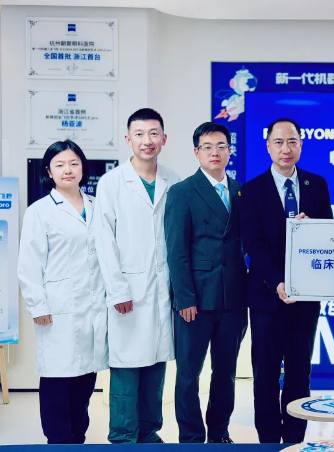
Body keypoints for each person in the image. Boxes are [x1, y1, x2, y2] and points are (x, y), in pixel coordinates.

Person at [240, 118, 333, 444]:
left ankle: (295, 440)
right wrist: (278, 283)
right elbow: (254, 244)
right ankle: (268, 441)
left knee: (299, 375)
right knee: (265, 375)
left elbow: (329, 235)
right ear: (268, 146)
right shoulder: (251, 190)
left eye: (292, 141)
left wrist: (312, 228)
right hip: (267, 298)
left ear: (301, 145)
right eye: (278, 142)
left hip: (305, 299)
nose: (286, 148)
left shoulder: (316, 185)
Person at [94, 108, 181, 444]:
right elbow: (104, 239)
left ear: (164, 139)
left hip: (162, 289)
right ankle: (122, 437)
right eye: (140, 134)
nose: (147, 140)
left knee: (157, 362)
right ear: (128, 139)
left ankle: (149, 433)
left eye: (154, 133)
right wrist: (117, 289)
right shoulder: (112, 182)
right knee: (127, 366)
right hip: (127, 289)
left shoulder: (173, 180)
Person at [17, 140, 108, 444]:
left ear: (83, 167)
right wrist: (38, 306)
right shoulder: (40, 211)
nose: (67, 169)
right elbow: (29, 265)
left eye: (73, 163)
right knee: (58, 378)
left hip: (93, 307)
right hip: (57, 309)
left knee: (86, 377)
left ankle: (78, 438)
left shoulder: (98, 206)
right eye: (59, 165)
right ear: (49, 172)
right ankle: (57, 441)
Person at [164, 122, 248, 443]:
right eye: (207, 147)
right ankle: (191, 437)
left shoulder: (241, 191)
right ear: (196, 152)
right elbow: (176, 250)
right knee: (188, 375)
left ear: (229, 151)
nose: (215, 152)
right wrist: (184, 298)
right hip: (195, 301)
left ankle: (219, 433)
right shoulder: (183, 192)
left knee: (226, 373)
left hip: (233, 299)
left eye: (221, 146)